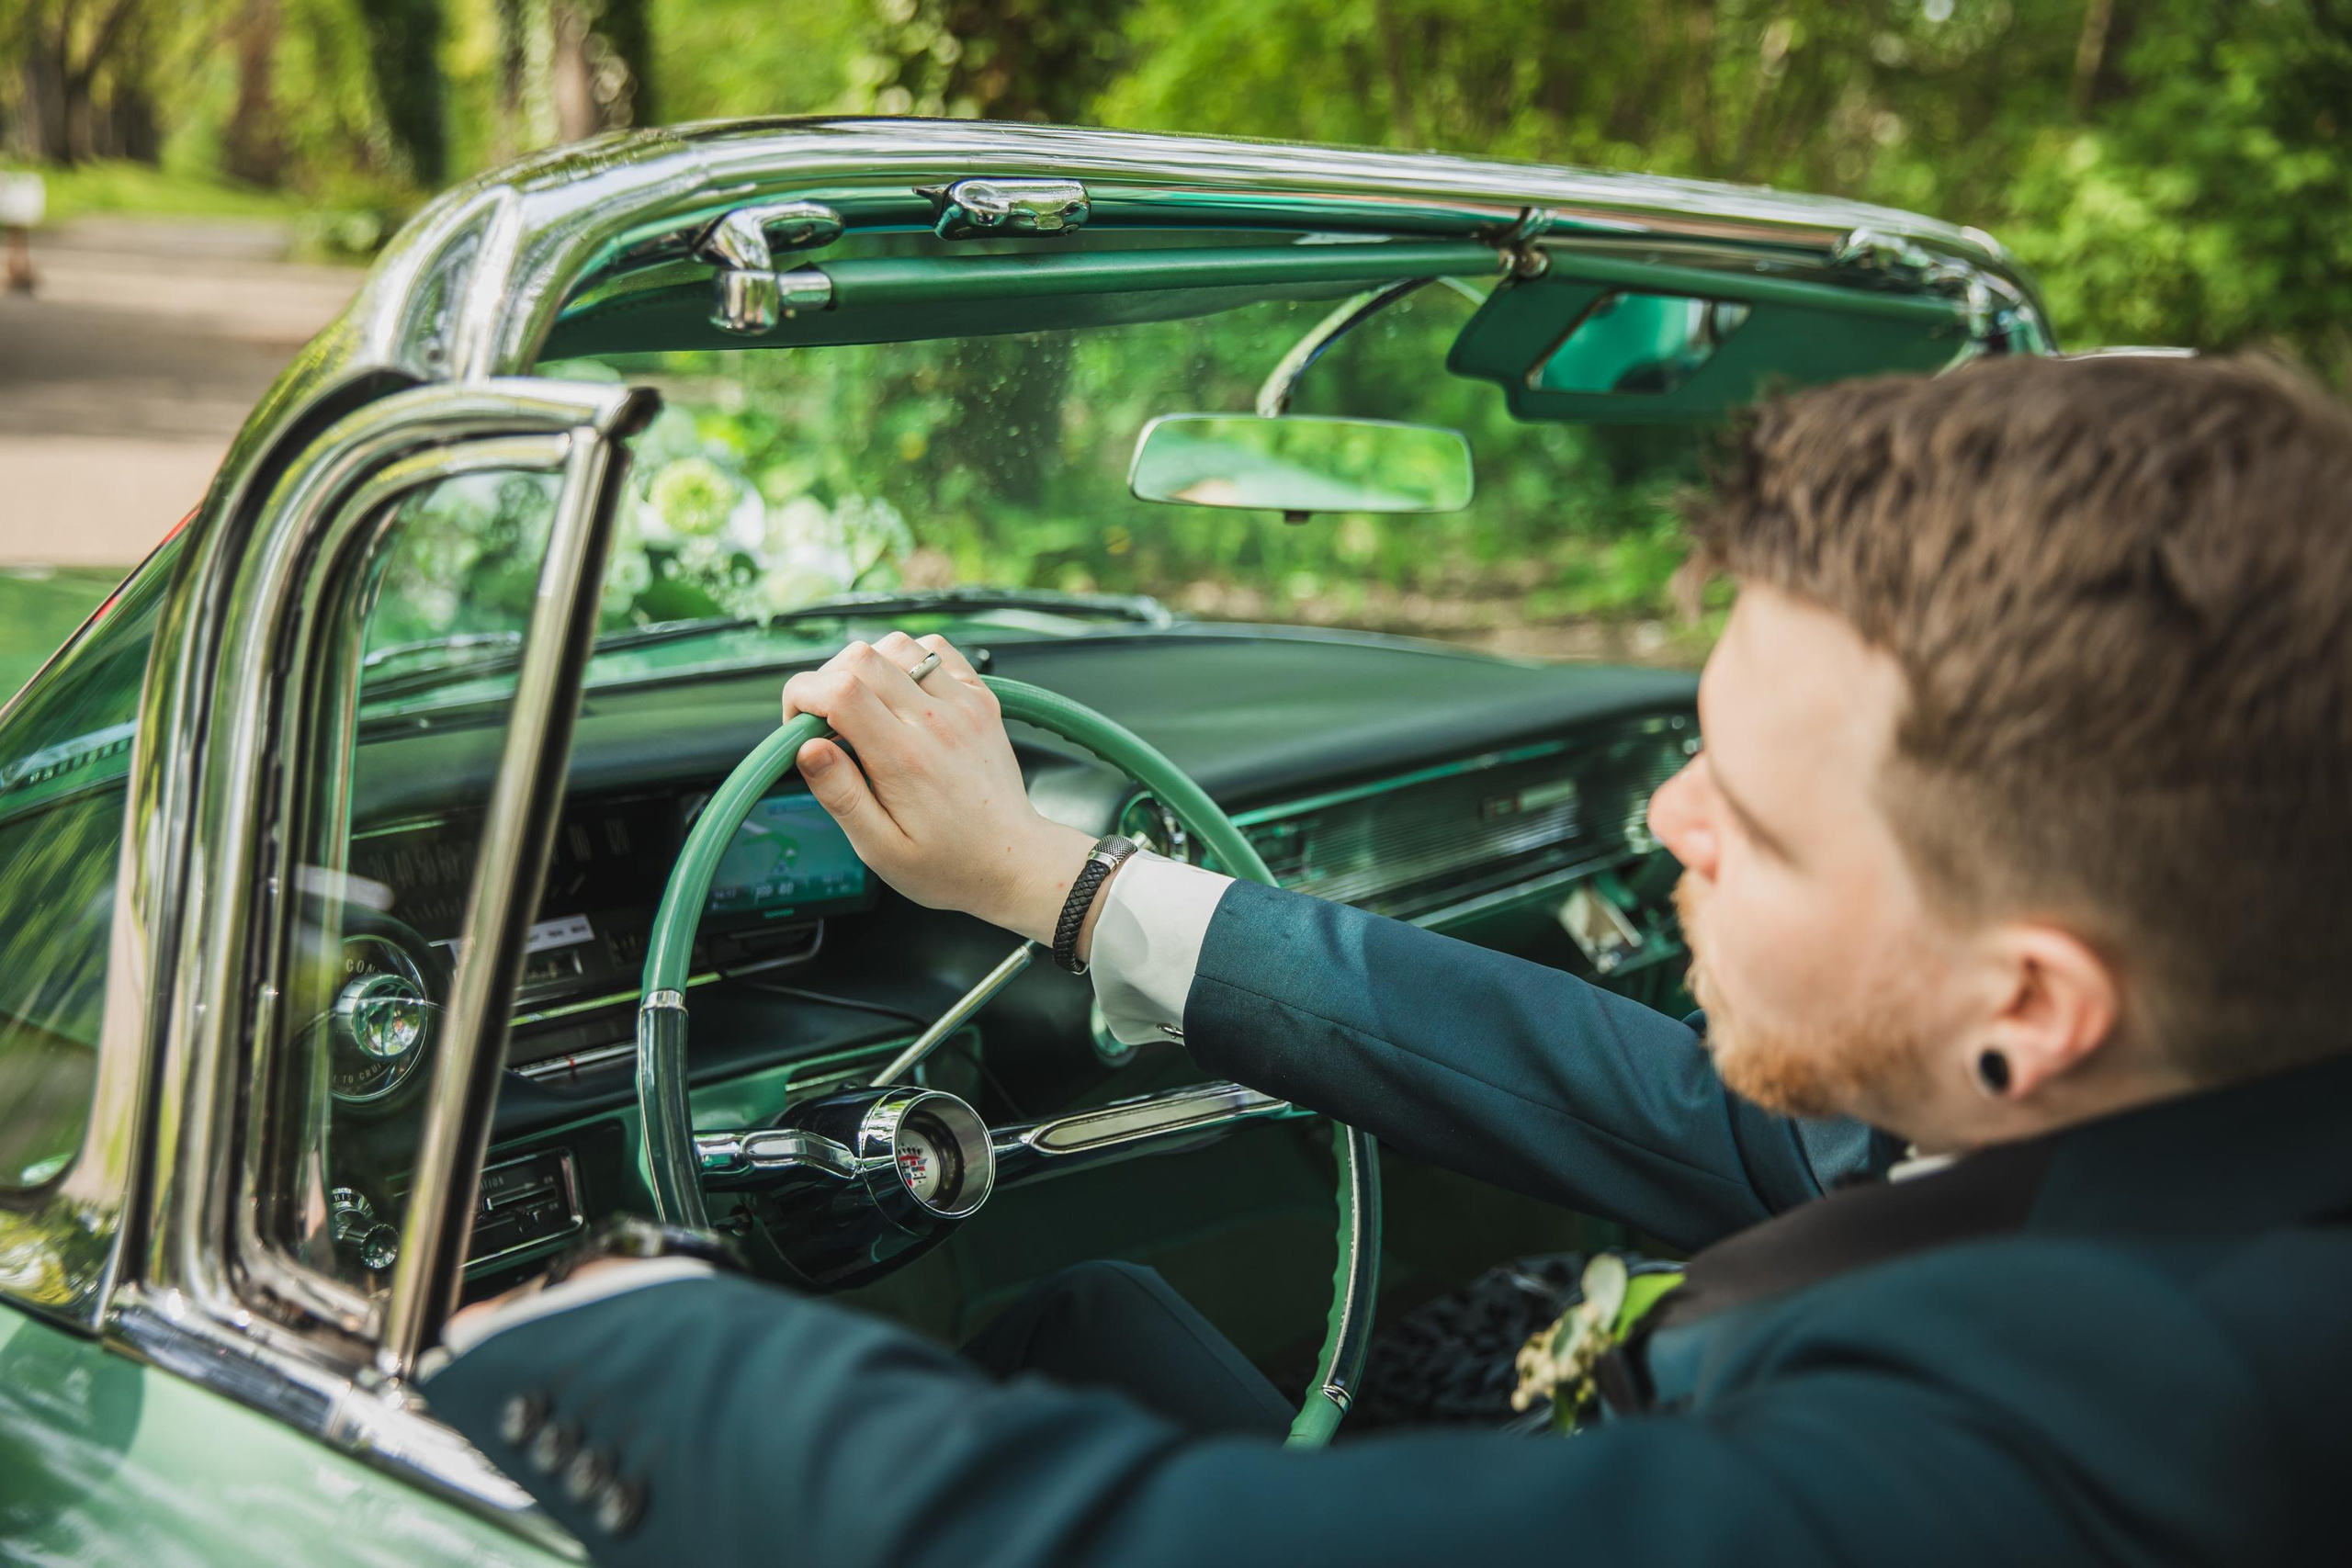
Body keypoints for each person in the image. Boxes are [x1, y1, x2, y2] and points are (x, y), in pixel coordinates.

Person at [424, 354, 2352, 1564]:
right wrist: (1054, 882)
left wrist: (643, 1347)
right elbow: (1641, 1090)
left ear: (2029, 1001)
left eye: (1751, 821)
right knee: (1086, 1319)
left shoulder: (2099, 1426)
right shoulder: (2142, 1111)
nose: (1663, 813)